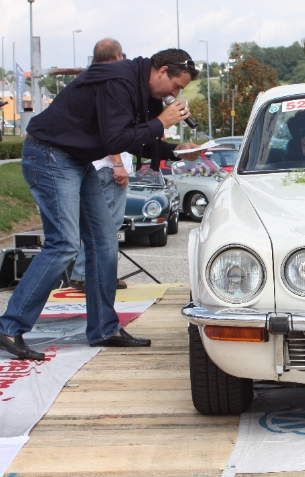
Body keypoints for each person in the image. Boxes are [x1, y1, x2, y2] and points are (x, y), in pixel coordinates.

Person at [0, 48, 200, 360]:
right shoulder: (118, 80)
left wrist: (176, 151)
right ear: (161, 71)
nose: (175, 95)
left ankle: (105, 329)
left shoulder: (137, 86)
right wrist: (161, 121)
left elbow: (135, 137)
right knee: (63, 243)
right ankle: (9, 326)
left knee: (105, 243)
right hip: (50, 154)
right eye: (175, 87)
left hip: (76, 159)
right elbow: (115, 141)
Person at [69, 38, 131, 292]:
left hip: (98, 165)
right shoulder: (110, 85)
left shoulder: (90, 81)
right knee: (107, 226)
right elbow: (110, 130)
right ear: (117, 57)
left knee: (102, 226)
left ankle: (98, 273)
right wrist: (117, 163)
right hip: (107, 166)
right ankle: (88, 274)